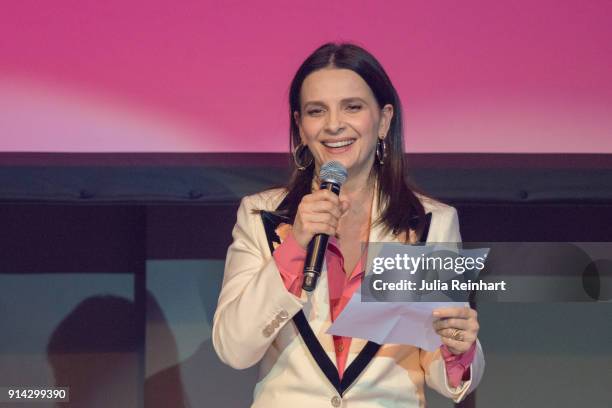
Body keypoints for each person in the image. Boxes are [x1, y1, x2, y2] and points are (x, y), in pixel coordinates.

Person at [212, 42, 484, 407]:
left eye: (352, 107)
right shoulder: (261, 216)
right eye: (316, 111)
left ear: (384, 119)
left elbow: (439, 368)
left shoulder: (430, 223)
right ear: (300, 125)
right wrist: (296, 246)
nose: (334, 124)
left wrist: (458, 350)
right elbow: (234, 348)